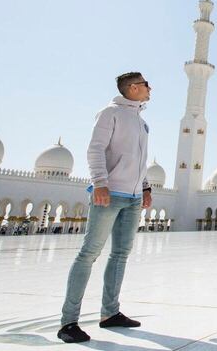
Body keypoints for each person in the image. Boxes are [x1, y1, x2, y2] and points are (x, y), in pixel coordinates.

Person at [57, 72, 153, 343]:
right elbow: (95, 149)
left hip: (133, 198)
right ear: (133, 88)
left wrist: (145, 186)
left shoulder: (141, 121)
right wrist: (100, 183)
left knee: (120, 254)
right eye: (146, 84)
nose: (150, 88)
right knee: (89, 253)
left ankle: (110, 313)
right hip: (109, 194)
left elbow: (139, 160)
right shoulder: (109, 113)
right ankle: (68, 322)